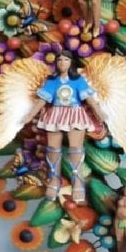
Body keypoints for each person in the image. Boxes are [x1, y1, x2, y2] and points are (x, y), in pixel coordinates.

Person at [24, 49, 105, 202]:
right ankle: (54, 178)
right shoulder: (52, 81)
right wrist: (30, 115)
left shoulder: (78, 80)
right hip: (56, 114)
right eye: (59, 60)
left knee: (76, 147)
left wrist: (98, 111)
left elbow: (89, 99)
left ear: (71, 62)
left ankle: (77, 181)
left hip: (75, 113)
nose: (62, 63)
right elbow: (42, 100)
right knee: (53, 147)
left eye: (66, 60)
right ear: (56, 63)